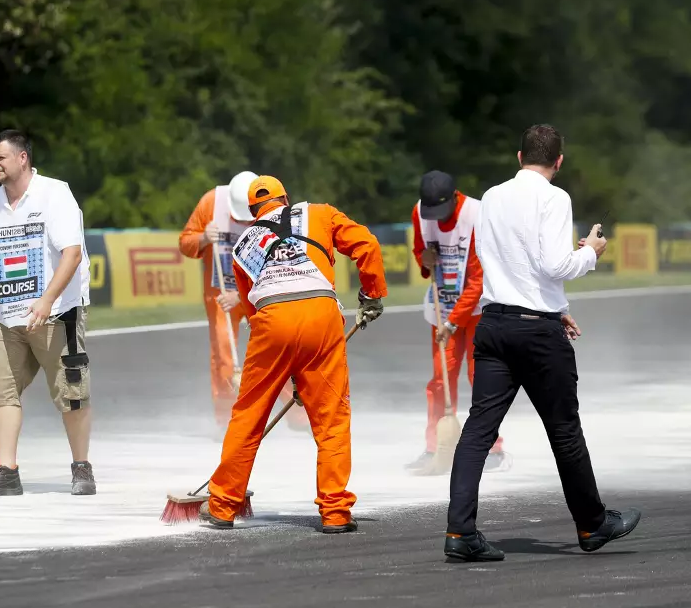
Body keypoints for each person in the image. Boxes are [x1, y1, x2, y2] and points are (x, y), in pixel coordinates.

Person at [444, 124, 641, 562]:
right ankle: (592, 524)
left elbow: (500, 259)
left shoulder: (491, 197)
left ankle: (459, 532)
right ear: (558, 161)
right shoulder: (555, 198)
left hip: (493, 324)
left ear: (518, 157)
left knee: (477, 430)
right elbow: (555, 264)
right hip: (536, 334)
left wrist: (556, 305)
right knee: (564, 430)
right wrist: (590, 251)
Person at [200, 175, 387, 533]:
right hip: (321, 314)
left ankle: (222, 505)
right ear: (287, 198)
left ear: (253, 213)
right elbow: (367, 245)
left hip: (273, 320)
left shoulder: (243, 246)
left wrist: (290, 367)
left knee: (248, 416)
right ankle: (335, 513)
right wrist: (372, 293)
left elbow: (255, 315)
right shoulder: (319, 213)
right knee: (331, 418)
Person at [0, 129, 97, 498]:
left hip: (56, 313)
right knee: (0, 388)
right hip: (9, 317)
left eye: (1, 157)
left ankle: (81, 467)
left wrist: (48, 300)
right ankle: (7, 471)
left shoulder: (55, 194)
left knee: (71, 392)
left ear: (23, 158)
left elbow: (71, 253)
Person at [179, 172, 310, 434]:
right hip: (220, 293)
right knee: (224, 359)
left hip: (258, 292)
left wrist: (241, 294)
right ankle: (227, 422)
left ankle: (296, 414)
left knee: (277, 348)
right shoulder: (210, 203)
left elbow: (281, 262)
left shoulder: (272, 210)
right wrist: (203, 238)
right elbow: (185, 243)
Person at [408, 171, 508, 474]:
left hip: (478, 309)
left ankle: (493, 447)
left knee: (481, 377)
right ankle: (434, 447)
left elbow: (479, 279)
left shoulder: (477, 215)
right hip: (442, 308)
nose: (437, 219)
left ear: (456, 197)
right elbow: (419, 253)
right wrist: (424, 260)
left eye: (443, 212)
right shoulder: (419, 212)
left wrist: (453, 321)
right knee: (440, 380)